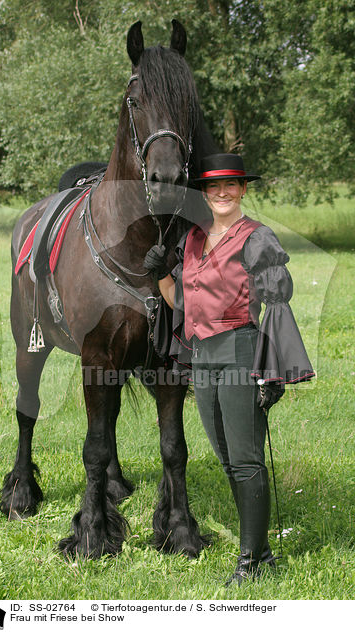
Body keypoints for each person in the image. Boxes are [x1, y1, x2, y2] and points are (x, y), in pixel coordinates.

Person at [144, 153, 315, 586]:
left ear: (243, 190)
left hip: (241, 348)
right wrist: (163, 275)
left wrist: (271, 371)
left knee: (246, 459)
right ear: (205, 192)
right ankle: (263, 552)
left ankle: (251, 562)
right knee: (225, 457)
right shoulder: (195, 240)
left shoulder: (256, 238)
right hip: (202, 357)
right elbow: (183, 304)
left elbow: (276, 306)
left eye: (231, 185)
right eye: (214, 187)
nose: (222, 193)